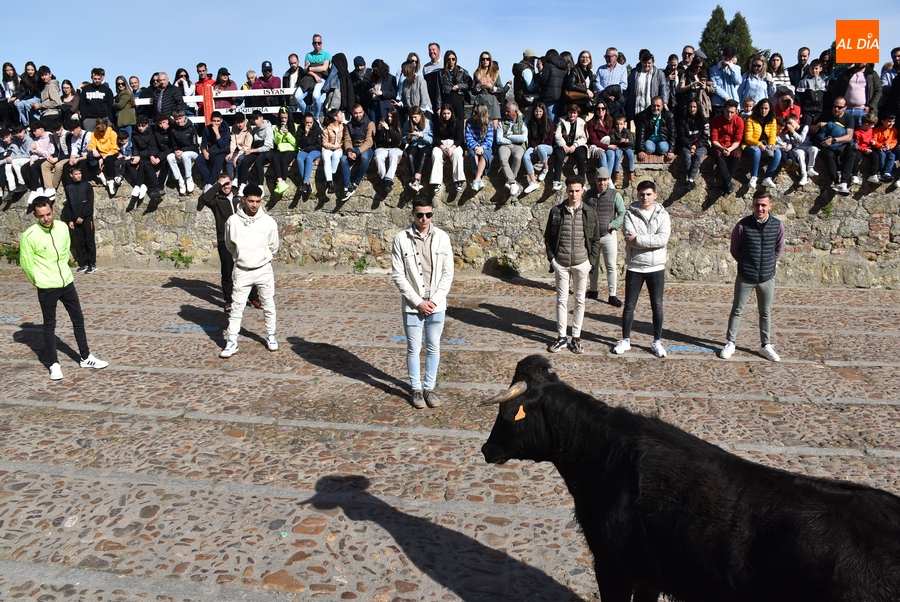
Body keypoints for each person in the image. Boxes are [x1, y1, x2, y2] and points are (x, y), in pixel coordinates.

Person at [20, 197, 108, 380]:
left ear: (53, 210)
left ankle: (85, 357)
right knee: (49, 325)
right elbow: (27, 264)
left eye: (49, 214)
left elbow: (66, 249)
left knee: (78, 319)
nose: (46, 219)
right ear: (36, 216)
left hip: (67, 282)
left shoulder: (62, 227)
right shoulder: (29, 235)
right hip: (46, 286)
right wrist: (38, 281)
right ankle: (53, 364)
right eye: (41, 216)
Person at [391, 198, 454, 409]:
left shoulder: (442, 238)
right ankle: (416, 390)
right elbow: (398, 275)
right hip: (412, 305)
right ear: (413, 214)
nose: (424, 219)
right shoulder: (401, 239)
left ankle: (430, 388)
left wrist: (434, 301)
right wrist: (418, 302)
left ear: (433, 214)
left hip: (437, 305)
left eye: (428, 215)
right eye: (420, 215)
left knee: (434, 346)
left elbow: (448, 273)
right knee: (414, 348)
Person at [719, 191, 785, 362]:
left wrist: (767, 264)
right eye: (757, 204)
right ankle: (731, 342)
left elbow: (778, 249)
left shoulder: (777, 225)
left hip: (767, 276)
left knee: (765, 312)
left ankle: (765, 345)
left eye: (764, 205)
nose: (760, 208)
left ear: (770, 206)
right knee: (737, 309)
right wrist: (746, 264)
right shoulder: (743, 225)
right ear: (753, 205)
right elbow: (735, 249)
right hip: (746, 275)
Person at [613, 180, 671, 358]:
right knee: (629, 306)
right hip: (635, 266)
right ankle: (625, 340)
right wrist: (645, 240)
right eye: (642, 194)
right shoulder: (630, 213)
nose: (645, 197)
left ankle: (656, 341)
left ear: (655, 195)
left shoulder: (663, 214)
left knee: (657, 306)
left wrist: (639, 240)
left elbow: (662, 239)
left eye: (648, 194)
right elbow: (629, 236)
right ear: (637, 195)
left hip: (656, 266)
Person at [219, 185, 279, 358]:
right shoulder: (233, 221)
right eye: (251, 201)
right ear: (244, 200)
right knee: (236, 307)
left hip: (263, 269)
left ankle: (270, 335)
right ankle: (231, 341)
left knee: (268, 303)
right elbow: (230, 245)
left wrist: (262, 257)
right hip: (242, 270)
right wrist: (242, 257)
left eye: (258, 201)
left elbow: (273, 246)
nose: (254, 205)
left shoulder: (268, 222)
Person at [544, 175, 600, 355]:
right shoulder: (556, 211)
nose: (574, 194)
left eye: (577, 190)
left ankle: (576, 337)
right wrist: (552, 259)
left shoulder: (589, 212)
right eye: (571, 190)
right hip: (561, 263)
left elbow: (595, 239)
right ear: (566, 191)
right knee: (561, 300)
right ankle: (561, 337)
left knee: (579, 300)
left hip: (581, 263)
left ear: (582, 191)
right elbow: (548, 238)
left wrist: (590, 262)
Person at [200, 172, 259, 313]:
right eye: (223, 184)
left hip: (243, 238)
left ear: (231, 183)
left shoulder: (239, 198)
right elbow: (204, 198)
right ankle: (228, 300)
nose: (226, 186)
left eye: (228, 183)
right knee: (227, 271)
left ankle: (253, 297)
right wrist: (218, 185)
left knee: (248, 268)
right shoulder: (216, 200)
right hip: (224, 239)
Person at [583, 167, 625, 306]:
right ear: (595, 180)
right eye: (599, 180)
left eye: (604, 180)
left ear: (608, 180)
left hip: (608, 235)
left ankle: (612, 294)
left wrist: (612, 225)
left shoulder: (615, 195)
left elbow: (622, 213)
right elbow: (582, 211)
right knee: (592, 265)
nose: (602, 183)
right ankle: (593, 290)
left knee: (611, 265)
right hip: (592, 236)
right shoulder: (588, 195)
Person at [811, 96, 856, 195]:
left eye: (839, 107)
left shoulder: (849, 118)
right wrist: (818, 125)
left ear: (845, 108)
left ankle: (844, 182)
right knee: (828, 155)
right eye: (835, 106)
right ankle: (836, 182)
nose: (836, 109)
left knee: (852, 153)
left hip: (841, 145)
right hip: (826, 146)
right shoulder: (826, 114)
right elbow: (811, 130)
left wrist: (834, 140)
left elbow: (849, 136)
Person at [743, 98, 781, 189]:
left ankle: (768, 177)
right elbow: (748, 137)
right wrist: (759, 144)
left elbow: (772, 135)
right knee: (756, 151)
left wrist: (771, 144)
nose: (763, 110)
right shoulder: (751, 120)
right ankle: (754, 177)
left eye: (766, 108)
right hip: (751, 145)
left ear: (769, 109)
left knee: (778, 152)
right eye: (761, 108)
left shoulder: (772, 120)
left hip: (766, 145)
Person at [64, 164, 96, 273]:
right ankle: (85, 263)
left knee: (89, 242)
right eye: (76, 174)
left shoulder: (87, 186)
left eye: (80, 173)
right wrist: (71, 220)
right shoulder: (69, 188)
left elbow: (89, 204)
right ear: (71, 175)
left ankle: (92, 263)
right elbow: (69, 205)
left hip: (86, 219)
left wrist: (82, 217)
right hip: (75, 219)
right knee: (81, 242)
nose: (78, 176)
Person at [340, 104, 375, 200]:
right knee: (343, 160)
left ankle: (356, 182)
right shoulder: (349, 125)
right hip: (353, 147)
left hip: (366, 148)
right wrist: (349, 151)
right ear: (352, 113)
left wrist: (357, 153)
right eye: (356, 113)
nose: (358, 115)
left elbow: (369, 141)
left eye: (360, 113)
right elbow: (347, 140)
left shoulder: (370, 123)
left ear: (363, 112)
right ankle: (347, 186)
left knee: (364, 158)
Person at [831, 63, 883, 127]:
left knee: (860, 135)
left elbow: (878, 90)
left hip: (863, 110)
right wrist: (839, 105)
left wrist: (870, 106)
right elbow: (835, 89)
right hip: (845, 110)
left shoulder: (872, 74)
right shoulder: (846, 73)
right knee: (842, 133)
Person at [710, 99, 744, 194]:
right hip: (718, 145)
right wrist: (722, 148)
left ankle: (725, 184)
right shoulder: (715, 120)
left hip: (732, 146)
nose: (729, 115)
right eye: (727, 111)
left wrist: (729, 149)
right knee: (718, 154)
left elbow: (738, 140)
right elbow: (714, 140)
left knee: (737, 155)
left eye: (732, 112)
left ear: (736, 111)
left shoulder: (739, 121)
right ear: (724, 109)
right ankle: (728, 183)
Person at [428, 104, 464, 194]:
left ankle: (458, 181)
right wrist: (443, 147)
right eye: (444, 113)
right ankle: (436, 182)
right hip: (441, 145)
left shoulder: (458, 122)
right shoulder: (437, 122)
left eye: (448, 113)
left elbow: (460, 138)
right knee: (436, 154)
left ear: (451, 113)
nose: (446, 115)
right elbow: (436, 138)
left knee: (458, 154)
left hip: (453, 144)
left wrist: (452, 148)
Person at [551, 104, 588, 191]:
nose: (572, 115)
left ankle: (582, 181)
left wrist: (575, 145)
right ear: (568, 113)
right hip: (563, 144)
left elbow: (584, 138)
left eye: (574, 113)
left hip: (576, 144)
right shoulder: (562, 120)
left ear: (577, 114)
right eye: (570, 112)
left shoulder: (582, 123)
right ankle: (556, 181)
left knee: (581, 156)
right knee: (559, 156)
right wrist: (564, 145)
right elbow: (557, 136)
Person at [438, 51, 471, 145]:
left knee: (459, 120)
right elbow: (438, 90)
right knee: (446, 119)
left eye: (453, 59)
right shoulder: (441, 73)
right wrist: (438, 107)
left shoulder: (462, 71)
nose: (451, 61)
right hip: (446, 97)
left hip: (458, 97)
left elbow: (469, 84)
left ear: (456, 60)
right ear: (446, 60)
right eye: (449, 59)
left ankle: (460, 141)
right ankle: (447, 140)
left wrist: (459, 86)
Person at [238, 110, 274, 197]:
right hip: (256, 149)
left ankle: (260, 186)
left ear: (262, 118)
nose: (255, 121)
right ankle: (242, 185)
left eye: (257, 119)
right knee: (245, 161)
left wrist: (251, 151)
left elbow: (268, 146)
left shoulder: (268, 129)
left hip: (267, 151)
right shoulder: (254, 129)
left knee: (258, 162)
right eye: (254, 119)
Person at [495, 101, 527, 196]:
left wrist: (508, 136)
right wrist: (515, 138)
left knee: (517, 157)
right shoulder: (502, 121)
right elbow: (499, 139)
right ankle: (513, 182)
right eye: (506, 111)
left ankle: (509, 182)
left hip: (519, 145)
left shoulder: (524, 120)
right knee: (503, 158)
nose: (506, 113)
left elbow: (523, 138)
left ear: (515, 111)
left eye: (508, 111)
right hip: (504, 145)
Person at [626, 53, 668, 124]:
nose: (647, 65)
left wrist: (664, 102)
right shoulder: (635, 73)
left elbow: (664, 89)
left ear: (653, 63)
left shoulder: (659, 74)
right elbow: (628, 88)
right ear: (641, 62)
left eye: (649, 63)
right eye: (645, 63)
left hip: (652, 108)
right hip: (638, 109)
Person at [522, 101, 554, 194]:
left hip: (547, 147)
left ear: (543, 111)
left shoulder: (549, 122)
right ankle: (533, 182)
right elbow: (530, 138)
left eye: (540, 111)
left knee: (541, 148)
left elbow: (549, 140)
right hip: (535, 147)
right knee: (525, 157)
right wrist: (535, 147)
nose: (538, 113)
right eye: (536, 111)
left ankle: (545, 168)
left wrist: (538, 147)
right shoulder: (531, 122)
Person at [678, 99, 710, 189]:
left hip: (701, 145)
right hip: (686, 145)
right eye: (690, 107)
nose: (692, 109)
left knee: (698, 156)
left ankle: (690, 179)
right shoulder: (683, 120)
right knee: (687, 156)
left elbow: (705, 136)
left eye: (694, 107)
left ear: (698, 108)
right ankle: (690, 179)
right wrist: (690, 145)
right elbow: (681, 136)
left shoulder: (705, 120)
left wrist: (696, 146)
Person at [197, 111, 231, 192]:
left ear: (221, 120)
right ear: (211, 120)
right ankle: (211, 181)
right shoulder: (207, 129)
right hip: (212, 150)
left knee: (218, 161)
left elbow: (222, 145)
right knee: (199, 161)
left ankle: (209, 183)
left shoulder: (226, 129)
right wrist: (204, 151)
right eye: (214, 121)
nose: (216, 123)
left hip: (221, 150)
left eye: (218, 121)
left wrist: (217, 132)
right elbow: (203, 143)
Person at [130, 115, 162, 200]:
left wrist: (148, 155)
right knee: (131, 164)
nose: (140, 128)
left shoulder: (152, 133)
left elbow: (154, 147)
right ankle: (154, 187)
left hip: (149, 156)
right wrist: (135, 155)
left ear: (147, 125)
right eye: (139, 126)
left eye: (143, 126)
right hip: (140, 156)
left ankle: (138, 185)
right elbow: (135, 147)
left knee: (144, 163)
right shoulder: (134, 134)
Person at [166, 111, 199, 195]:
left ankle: (188, 177)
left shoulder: (192, 128)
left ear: (184, 117)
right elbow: (173, 143)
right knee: (169, 157)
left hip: (192, 153)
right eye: (176, 119)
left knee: (185, 155)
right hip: (180, 153)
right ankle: (180, 179)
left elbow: (194, 145)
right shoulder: (173, 130)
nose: (179, 121)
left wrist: (182, 151)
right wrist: (176, 151)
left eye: (180, 118)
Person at [635, 96, 676, 162]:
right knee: (648, 148)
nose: (656, 108)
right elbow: (641, 133)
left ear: (662, 106)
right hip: (649, 140)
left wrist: (671, 151)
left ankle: (657, 149)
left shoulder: (669, 116)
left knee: (663, 149)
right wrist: (640, 150)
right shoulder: (644, 115)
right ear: (651, 105)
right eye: (653, 106)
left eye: (658, 106)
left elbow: (672, 133)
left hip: (662, 140)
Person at [465, 104, 494, 191]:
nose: (473, 114)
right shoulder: (469, 122)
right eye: (473, 112)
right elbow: (468, 138)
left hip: (485, 147)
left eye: (476, 112)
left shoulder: (489, 123)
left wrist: (482, 147)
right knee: (473, 154)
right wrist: (476, 146)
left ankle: (477, 179)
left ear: (482, 114)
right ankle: (479, 179)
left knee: (484, 155)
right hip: (473, 146)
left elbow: (489, 140)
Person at [374, 106, 403, 190]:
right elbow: (378, 142)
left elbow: (397, 140)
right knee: (378, 156)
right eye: (388, 116)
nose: (389, 119)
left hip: (395, 148)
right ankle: (385, 180)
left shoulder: (398, 125)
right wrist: (379, 130)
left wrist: (388, 129)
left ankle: (389, 179)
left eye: (391, 117)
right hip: (384, 148)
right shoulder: (383, 124)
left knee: (393, 155)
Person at [86, 117, 119, 194]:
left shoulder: (113, 134)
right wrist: (93, 150)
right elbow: (91, 145)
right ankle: (99, 173)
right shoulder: (94, 134)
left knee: (108, 160)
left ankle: (110, 180)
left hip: (110, 153)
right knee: (90, 156)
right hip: (100, 153)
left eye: (102, 131)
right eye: (99, 131)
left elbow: (115, 148)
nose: (101, 133)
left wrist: (104, 156)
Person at [302, 34, 331, 119]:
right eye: (315, 43)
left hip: (322, 78)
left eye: (319, 43)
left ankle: (316, 117)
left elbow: (324, 68)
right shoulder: (308, 55)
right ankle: (307, 116)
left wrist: (310, 68)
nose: (317, 45)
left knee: (316, 95)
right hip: (311, 78)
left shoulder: (326, 54)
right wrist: (314, 72)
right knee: (297, 96)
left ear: (322, 43)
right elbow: (305, 70)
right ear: (312, 44)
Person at [271, 107, 297, 196]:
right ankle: (280, 182)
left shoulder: (295, 126)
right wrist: (280, 134)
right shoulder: (276, 128)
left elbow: (295, 143)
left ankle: (284, 181)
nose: (284, 120)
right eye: (282, 118)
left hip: (292, 149)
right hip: (281, 148)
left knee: (284, 161)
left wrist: (288, 134)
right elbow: (277, 142)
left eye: (285, 118)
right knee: (275, 159)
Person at [535, 49, 568, 123]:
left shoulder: (548, 65)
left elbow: (543, 80)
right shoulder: (564, 66)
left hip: (549, 96)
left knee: (551, 120)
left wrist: (538, 80)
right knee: (559, 119)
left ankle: (553, 133)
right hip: (561, 96)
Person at [472, 52, 503, 127]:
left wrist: (491, 87)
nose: (485, 61)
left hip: (492, 102)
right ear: (480, 61)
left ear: (490, 60)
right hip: (480, 101)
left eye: (487, 59)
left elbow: (501, 89)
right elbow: (473, 91)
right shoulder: (476, 74)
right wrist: (479, 85)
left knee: (494, 129)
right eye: (483, 59)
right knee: (479, 127)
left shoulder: (495, 73)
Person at [710, 46, 742, 117]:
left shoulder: (737, 68)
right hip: (718, 104)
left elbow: (738, 82)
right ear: (722, 56)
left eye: (729, 59)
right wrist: (726, 97)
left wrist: (732, 69)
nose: (727, 61)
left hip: (733, 103)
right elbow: (714, 86)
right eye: (725, 58)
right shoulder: (713, 69)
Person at [295, 113, 323, 196]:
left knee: (309, 158)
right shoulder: (300, 129)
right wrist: (305, 135)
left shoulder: (317, 129)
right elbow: (301, 145)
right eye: (307, 122)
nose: (309, 124)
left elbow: (318, 146)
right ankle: (307, 184)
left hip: (316, 151)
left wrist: (307, 148)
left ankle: (305, 182)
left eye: (311, 122)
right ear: (304, 122)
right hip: (305, 150)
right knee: (299, 158)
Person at [566, 50, 597, 121]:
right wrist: (586, 90)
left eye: (587, 57)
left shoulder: (590, 72)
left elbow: (591, 87)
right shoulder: (575, 70)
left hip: (584, 104)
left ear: (590, 59)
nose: (585, 59)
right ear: (579, 59)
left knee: (581, 126)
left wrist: (593, 94)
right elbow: (571, 85)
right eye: (582, 57)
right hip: (575, 103)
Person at [320, 109, 344, 196]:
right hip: (328, 148)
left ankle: (331, 175)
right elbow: (325, 143)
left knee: (336, 155)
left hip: (339, 149)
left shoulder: (343, 127)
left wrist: (340, 146)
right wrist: (334, 146)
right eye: (340, 114)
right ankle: (330, 183)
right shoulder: (327, 129)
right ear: (335, 118)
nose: (342, 116)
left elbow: (346, 139)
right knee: (326, 157)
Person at [367, 59, 399, 124]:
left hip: (384, 106)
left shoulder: (391, 78)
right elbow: (368, 89)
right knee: (373, 124)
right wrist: (370, 91)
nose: (375, 72)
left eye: (376, 70)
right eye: (374, 70)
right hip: (373, 105)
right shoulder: (373, 78)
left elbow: (393, 93)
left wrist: (382, 93)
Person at [608, 114, 636, 185]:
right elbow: (611, 140)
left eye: (621, 124)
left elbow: (632, 142)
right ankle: (616, 172)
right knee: (617, 155)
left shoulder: (627, 131)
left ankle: (631, 172)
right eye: (617, 124)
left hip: (627, 147)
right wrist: (619, 141)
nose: (619, 126)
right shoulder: (613, 131)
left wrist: (627, 141)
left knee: (631, 155)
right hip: (618, 147)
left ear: (624, 124)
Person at [512, 49, 539, 118]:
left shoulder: (520, 69)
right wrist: (539, 84)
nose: (534, 61)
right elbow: (531, 87)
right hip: (528, 102)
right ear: (529, 58)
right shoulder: (526, 70)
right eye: (533, 59)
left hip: (521, 101)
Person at [226, 112, 252, 185]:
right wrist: (231, 152)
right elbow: (233, 140)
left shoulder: (248, 129)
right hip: (236, 150)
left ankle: (236, 178)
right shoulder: (234, 128)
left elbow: (247, 145)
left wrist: (237, 156)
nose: (240, 124)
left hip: (245, 151)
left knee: (240, 159)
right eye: (237, 123)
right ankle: (229, 181)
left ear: (244, 121)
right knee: (229, 160)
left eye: (241, 122)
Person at [871, 113, 897, 183]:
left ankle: (887, 173)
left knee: (892, 156)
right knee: (882, 156)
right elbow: (874, 141)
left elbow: (894, 141)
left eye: (893, 121)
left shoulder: (894, 130)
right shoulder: (877, 130)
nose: (891, 123)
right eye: (889, 121)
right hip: (880, 149)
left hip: (889, 149)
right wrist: (880, 146)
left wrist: (889, 146)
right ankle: (882, 173)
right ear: (883, 121)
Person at [422, 43, 443, 115]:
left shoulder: (444, 64)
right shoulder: (426, 67)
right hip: (431, 100)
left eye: (433, 49)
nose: (431, 52)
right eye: (429, 50)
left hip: (442, 99)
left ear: (439, 51)